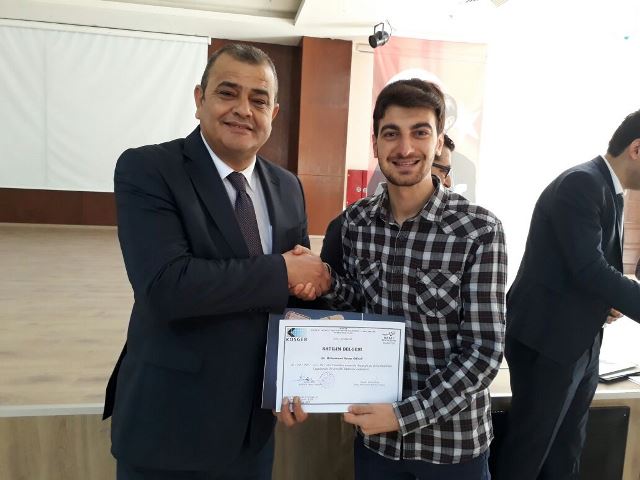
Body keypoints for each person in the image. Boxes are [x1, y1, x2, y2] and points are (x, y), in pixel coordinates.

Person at [103, 43, 330, 479]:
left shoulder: (287, 187)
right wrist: (284, 270)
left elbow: (292, 298)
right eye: (228, 93)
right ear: (199, 99)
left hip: (252, 432)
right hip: (170, 427)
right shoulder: (149, 169)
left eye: (258, 100)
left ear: (273, 114)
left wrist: (298, 373)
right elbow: (166, 286)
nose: (243, 109)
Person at [288, 78, 507, 479]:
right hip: (378, 445)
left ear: (438, 142)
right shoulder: (355, 223)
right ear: (375, 143)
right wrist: (326, 282)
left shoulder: (479, 230)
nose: (405, 148)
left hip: (452, 448)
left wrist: (403, 415)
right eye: (391, 134)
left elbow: (483, 353)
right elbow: (359, 307)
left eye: (420, 132)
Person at [496, 110, 640, 479]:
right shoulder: (582, 183)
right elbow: (589, 268)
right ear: (637, 149)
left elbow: (586, 271)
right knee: (527, 455)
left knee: (566, 452)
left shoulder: (609, 188)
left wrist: (606, 301)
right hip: (548, 342)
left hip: (579, 341)